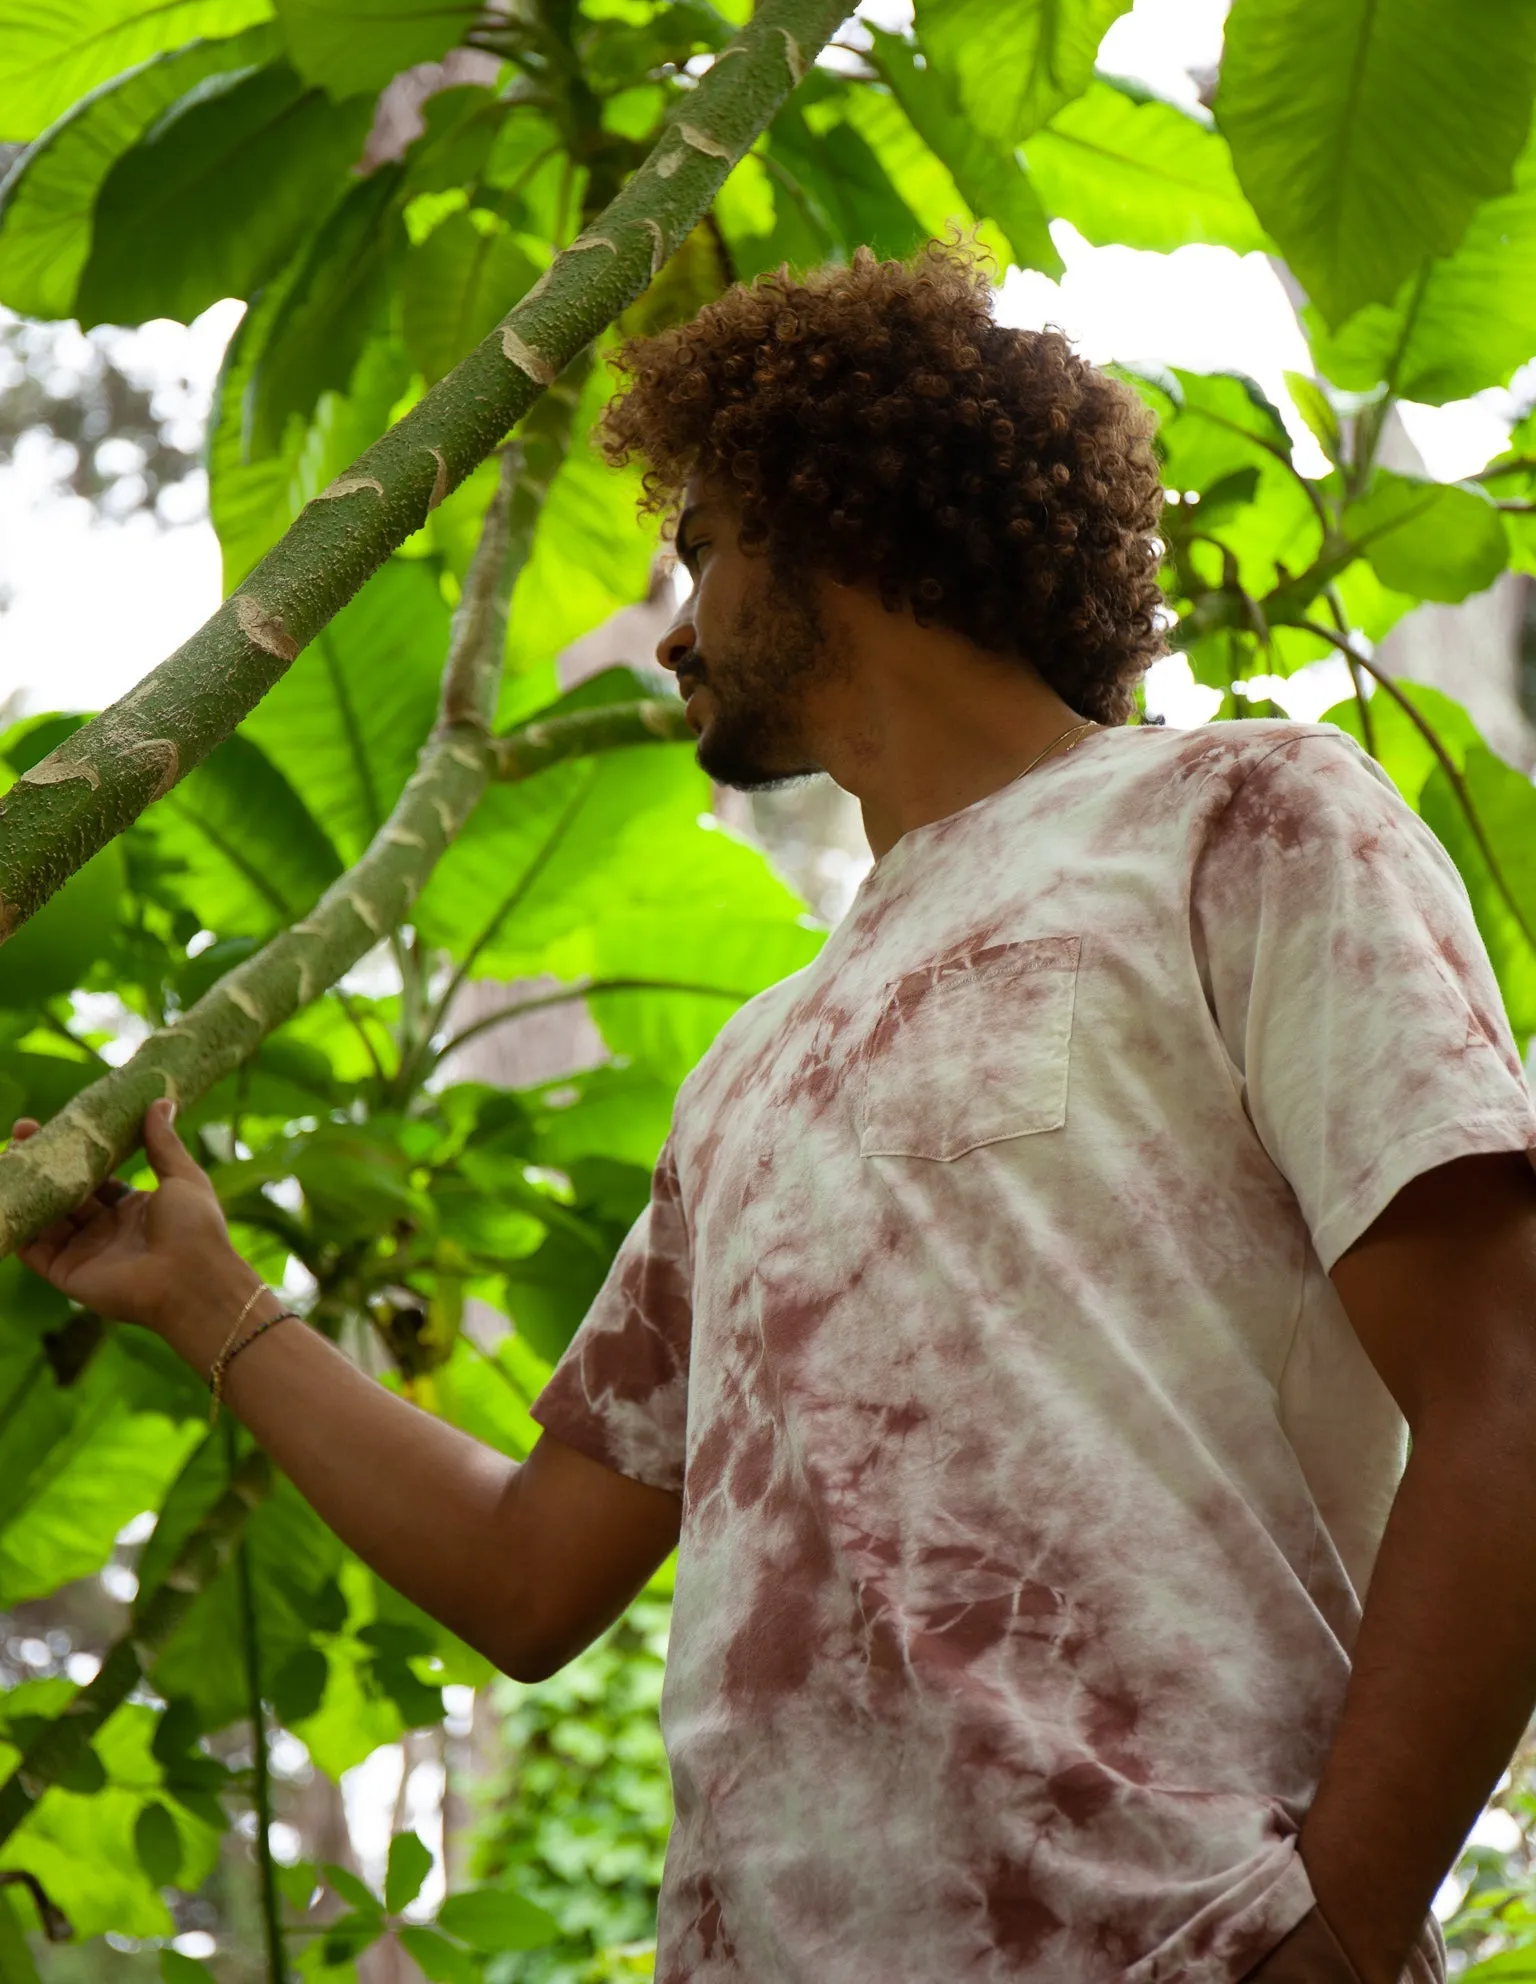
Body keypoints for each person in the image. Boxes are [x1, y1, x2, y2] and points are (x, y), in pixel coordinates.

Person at [13, 242, 1536, 1984]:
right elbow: (533, 1574)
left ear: (841, 519)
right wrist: (205, 1300)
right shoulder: (751, 1066)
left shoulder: (1240, 815)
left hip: (1175, 1943)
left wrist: (1337, 1928)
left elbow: (1505, 1383)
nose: (674, 624)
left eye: (709, 546)